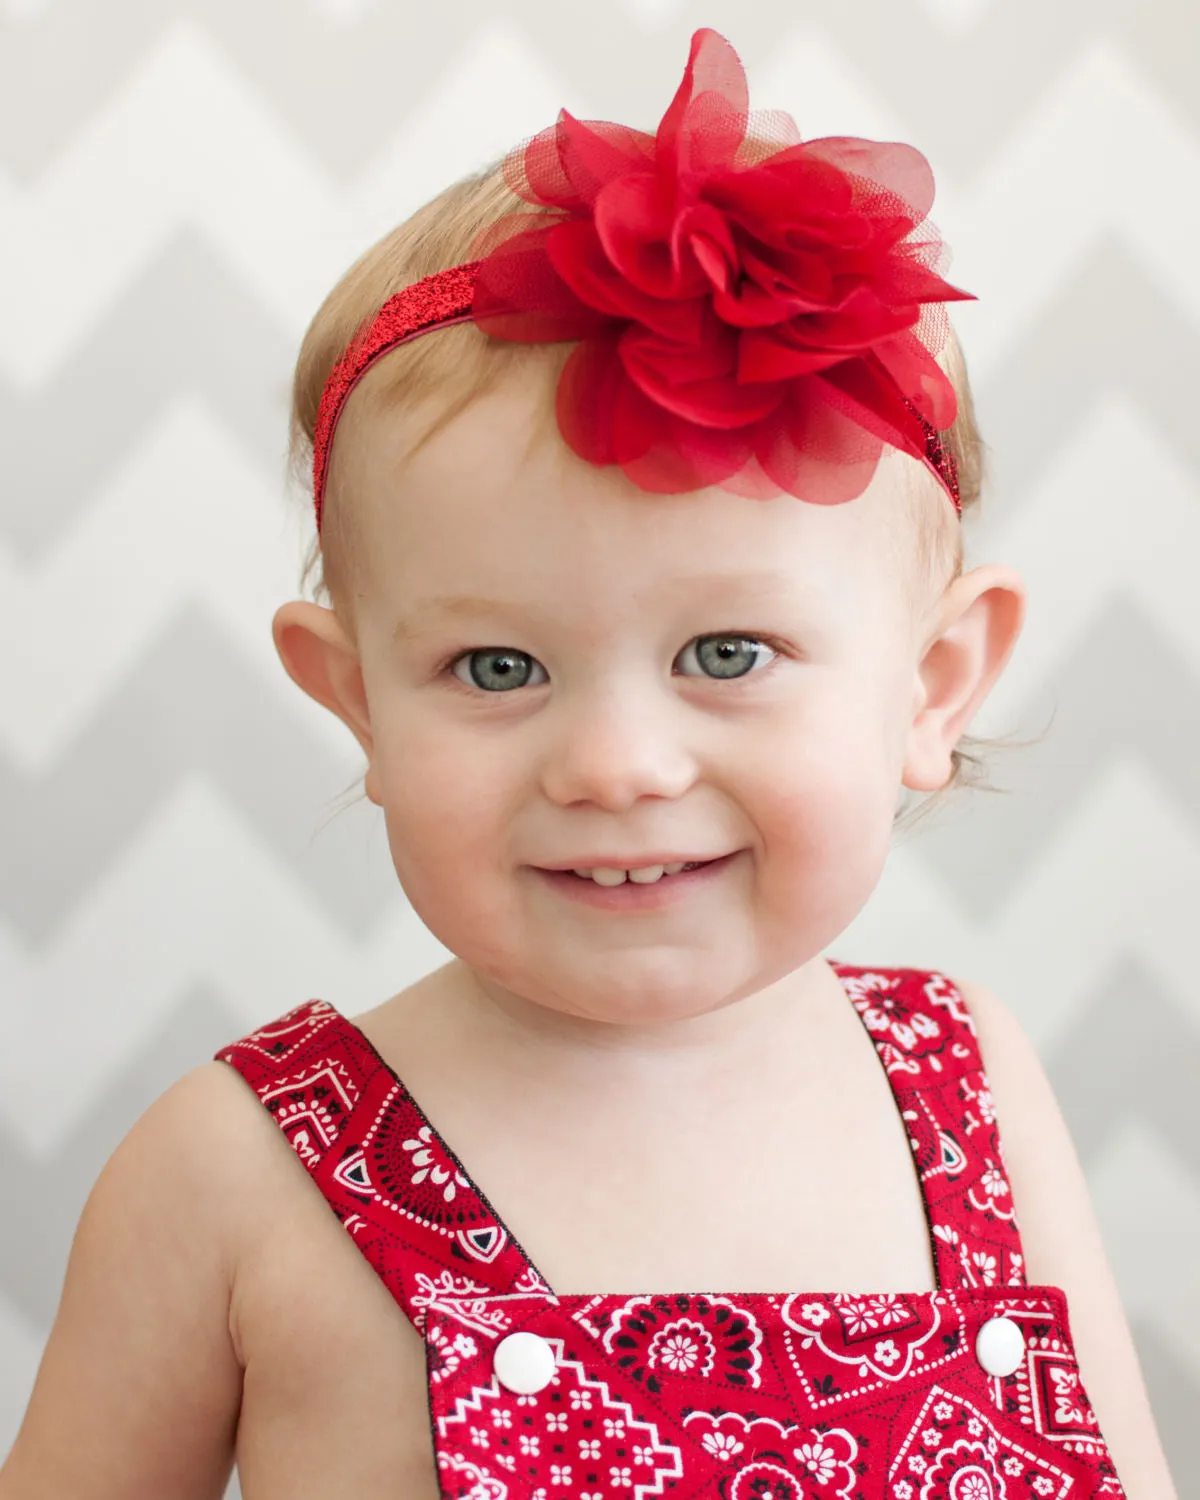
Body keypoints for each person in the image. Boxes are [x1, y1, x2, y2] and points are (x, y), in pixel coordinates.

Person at [0, 28, 1177, 1500]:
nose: (616, 765)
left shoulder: (972, 1089)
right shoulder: (235, 1175)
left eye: (727, 654)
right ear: (356, 703)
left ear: (931, 688)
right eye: (498, 669)